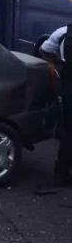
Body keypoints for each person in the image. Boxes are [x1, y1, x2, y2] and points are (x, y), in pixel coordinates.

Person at [40, 24, 72, 188]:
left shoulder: (63, 32)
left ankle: (61, 173)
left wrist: (53, 64)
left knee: (67, 131)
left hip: (68, 89)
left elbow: (43, 50)